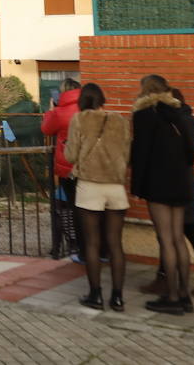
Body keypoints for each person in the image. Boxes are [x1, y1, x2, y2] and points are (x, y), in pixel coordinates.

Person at [141, 88, 194, 301]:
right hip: (187, 182)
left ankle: (172, 284)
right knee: (185, 234)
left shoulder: (175, 122)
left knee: (174, 236)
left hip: (173, 183)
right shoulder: (190, 121)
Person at [131, 73, 194, 315]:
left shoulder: (144, 115)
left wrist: (137, 186)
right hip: (180, 181)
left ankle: (170, 296)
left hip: (158, 183)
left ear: (145, 90)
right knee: (179, 238)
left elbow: (141, 153)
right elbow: (190, 147)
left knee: (166, 238)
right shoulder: (178, 112)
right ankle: (185, 295)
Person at [64, 82, 131, 311]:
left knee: (92, 243)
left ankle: (95, 295)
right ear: (102, 98)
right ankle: (118, 298)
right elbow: (126, 152)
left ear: (83, 100)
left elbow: (71, 155)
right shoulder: (120, 120)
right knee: (115, 244)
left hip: (90, 185)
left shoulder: (79, 119)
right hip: (115, 186)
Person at [41, 77, 82, 260]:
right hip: (88, 165)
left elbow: (46, 129)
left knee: (69, 206)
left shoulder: (60, 111)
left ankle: (74, 245)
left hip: (67, 166)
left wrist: (51, 110)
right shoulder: (86, 107)